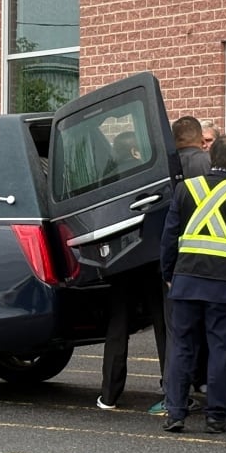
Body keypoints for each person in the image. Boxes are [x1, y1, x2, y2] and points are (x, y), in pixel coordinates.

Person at [158, 135, 226, 433]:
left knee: (181, 347)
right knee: (222, 350)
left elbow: (169, 236)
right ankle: (216, 416)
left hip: (186, 279)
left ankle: (175, 412)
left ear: (210, 154)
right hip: (225, 284)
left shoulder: (184, 188)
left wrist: (168, 273)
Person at [146, 116, 211, 415]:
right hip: (216, 261)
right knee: (218, 332)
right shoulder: (210, 164)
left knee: (177, 334)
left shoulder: (161, 168)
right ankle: (217, 393)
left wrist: (166, 268)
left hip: (178, 264)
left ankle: (175, 397)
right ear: (200, 138)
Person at [98, 129, 166, 410]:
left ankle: (110, 394)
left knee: (119, 326)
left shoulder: (106, 177)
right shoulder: (147, 173)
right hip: (150, 257)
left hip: (120, 261)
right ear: (136, 151)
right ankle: (171, 387)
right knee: (163, 323)